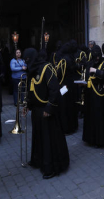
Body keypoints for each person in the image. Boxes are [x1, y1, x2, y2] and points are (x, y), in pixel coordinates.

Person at [23, 48, 70, 179]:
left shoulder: (46, 68)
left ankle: (51, 167)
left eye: (27, 60)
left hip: (46, 110)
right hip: (36, 111)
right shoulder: (31, 71)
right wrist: (28, 105)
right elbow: (30, 90)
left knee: (49, 139)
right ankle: (38, 160)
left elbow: (54, 90)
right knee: (38, 137)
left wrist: (49, 109)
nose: (26, 63)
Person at [83, 45, 104, 147]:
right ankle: (90, 139)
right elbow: (86, 75)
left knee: (99, 117)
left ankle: (100, 140)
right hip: (90, 94)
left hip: (99, 94)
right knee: (90, 116)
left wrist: (96, 72)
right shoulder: (89, 63)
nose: (97, 57)